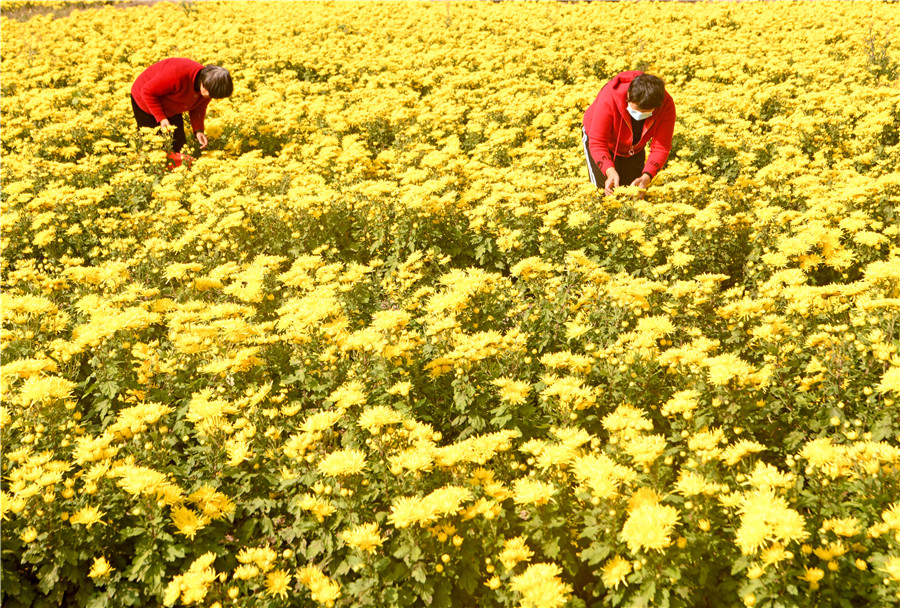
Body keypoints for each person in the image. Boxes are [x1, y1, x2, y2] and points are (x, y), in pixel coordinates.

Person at [582, 71, 675, 196]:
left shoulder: (666, 104)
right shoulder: (609, 97)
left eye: (646, 112)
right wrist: (609, 171)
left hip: (633, 148)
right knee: (603, 193)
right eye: (637, 109)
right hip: (600, 141)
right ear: (629, 95)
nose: (640, 115)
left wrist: (646, 176)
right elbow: (598, 143)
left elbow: (661, 147)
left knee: (632, 193)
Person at [130, 58, 232, 158]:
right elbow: (147, 92)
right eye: (212, 94)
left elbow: (198, 108)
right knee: (153, 147)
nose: (211, 97)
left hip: (172, 105)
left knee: (179, 147)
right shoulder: (177, 74)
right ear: (203, 84)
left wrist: (198, 130)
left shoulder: (208, 87)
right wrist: (161, 118)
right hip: (145, 100)